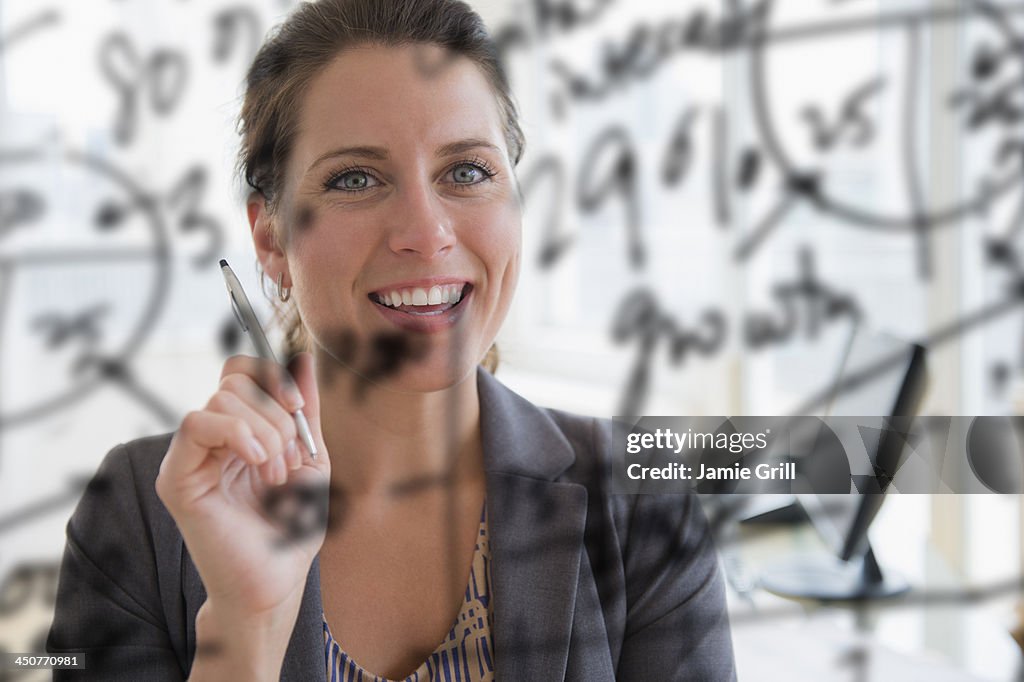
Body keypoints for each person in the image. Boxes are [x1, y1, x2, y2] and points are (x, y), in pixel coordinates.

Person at [47, 1, 736, 679]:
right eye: (356, 178)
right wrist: (244, 627)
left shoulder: (644, 501)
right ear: (270, 237)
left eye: (466, 171)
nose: (426, 231)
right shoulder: (138, 512)